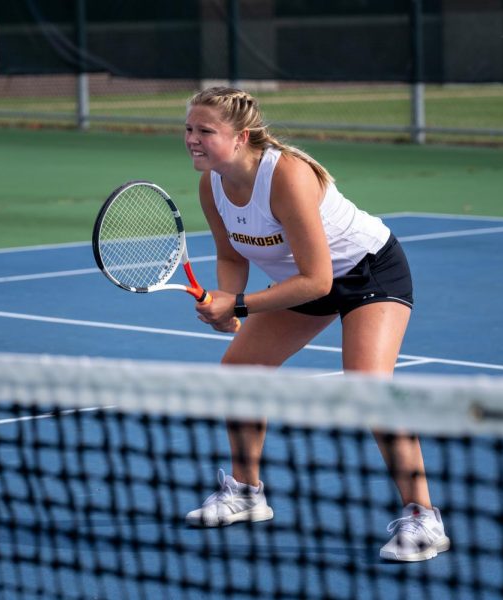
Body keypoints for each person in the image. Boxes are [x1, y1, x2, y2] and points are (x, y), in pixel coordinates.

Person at [181, 86, 449, 562]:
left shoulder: (286, 175)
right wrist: (227, 303)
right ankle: (246, 493)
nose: (193, 140)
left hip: (368, 273)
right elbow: (230, 254)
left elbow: (320, 279)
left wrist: (239, 305)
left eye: (206, 131)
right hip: (300, 281)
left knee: (369, 385)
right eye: (189, 129)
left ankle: (423, 518)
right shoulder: (212, 184)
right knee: (239, 371)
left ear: (241, 137)